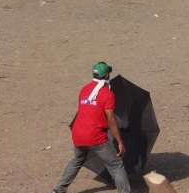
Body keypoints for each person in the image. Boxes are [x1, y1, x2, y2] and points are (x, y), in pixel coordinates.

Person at [52, 62, 130, 193]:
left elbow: (88, 111)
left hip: (78, 133)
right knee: (116, 165)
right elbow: (110, 118)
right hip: (95, 136)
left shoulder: (84, 89)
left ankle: (59, 189)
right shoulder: (107, 94)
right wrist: (120, 141)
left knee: (77, 160)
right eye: (109, 73)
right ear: (106, 75)